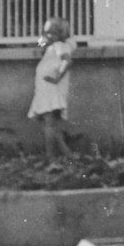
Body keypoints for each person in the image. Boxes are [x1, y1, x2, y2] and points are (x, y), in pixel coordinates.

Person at [28, 16, 76, 162]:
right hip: (44, 89)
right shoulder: (52, 46)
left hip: (50, 89)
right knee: (48, 124)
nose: (48, 35)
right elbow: (39, 44)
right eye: (46, 32)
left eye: (52, 32)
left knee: (49, 124)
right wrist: (44, 37)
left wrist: (57, 78)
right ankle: (67, 154)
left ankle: (51, 156)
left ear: (61, 33)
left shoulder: (60, 46)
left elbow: (67, 61)